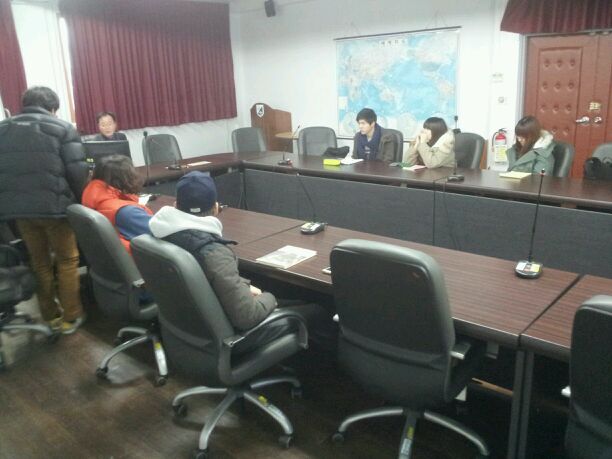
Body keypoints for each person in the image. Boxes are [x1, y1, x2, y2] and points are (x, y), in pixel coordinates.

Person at [148, 171, 332, 352]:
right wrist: (270, 296)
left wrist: (244, 286)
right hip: (229, 339)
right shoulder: (213, 252)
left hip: (189, 329)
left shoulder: (158, 234)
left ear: (175, 205)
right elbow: (246, 317)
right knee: (317, 310)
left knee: (289, 300)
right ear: (216, 208)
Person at [0, 86, 89, 334]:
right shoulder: (62, 128)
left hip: (20, 211)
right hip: (55, 209)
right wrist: (81, 201)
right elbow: (77, 171)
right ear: (52, 108)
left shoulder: (3, 129)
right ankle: (71, 317)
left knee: (39, 262)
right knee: (67, 260)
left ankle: (50, 315)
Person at [82, 155, 153, 253]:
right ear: (128, 178)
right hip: (142, 258)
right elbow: (164, 234)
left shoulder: (92, 198)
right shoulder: (127, 212)